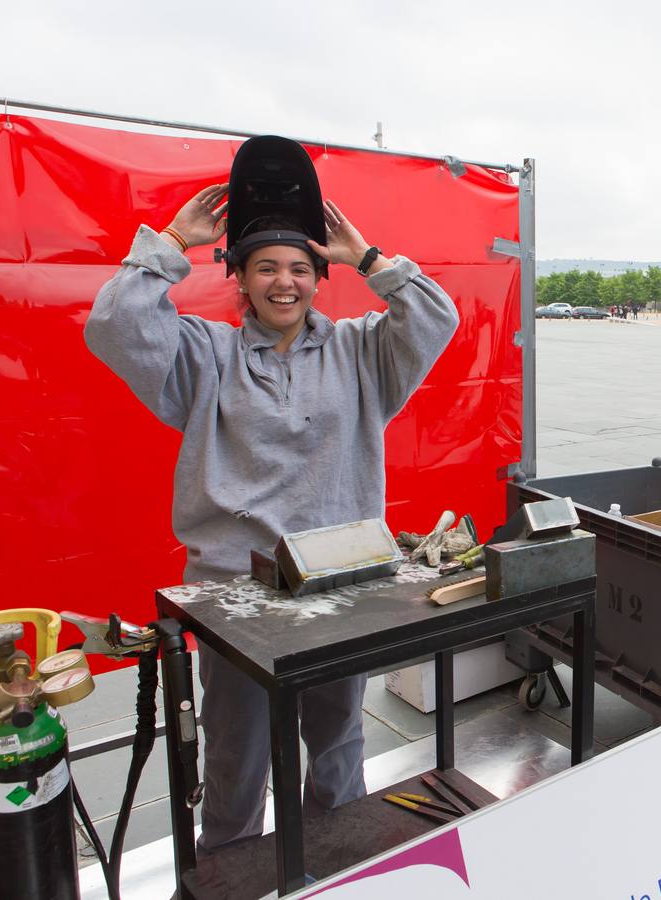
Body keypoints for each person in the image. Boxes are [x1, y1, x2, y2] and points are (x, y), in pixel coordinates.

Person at [84, 171, 459, 850]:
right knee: (234, 762)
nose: (283, 282)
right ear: (241, 279)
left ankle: (340, 869)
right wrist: (170, 242)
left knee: (340, 746)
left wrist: (368, 258)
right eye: (265, 268)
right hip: (236, 598)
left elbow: (437, 314)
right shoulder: (203, 355)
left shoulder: (363, 351)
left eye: (299, 269)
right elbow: (112, 325)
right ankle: (230, 882)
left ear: (319, 278)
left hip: (346, 589)